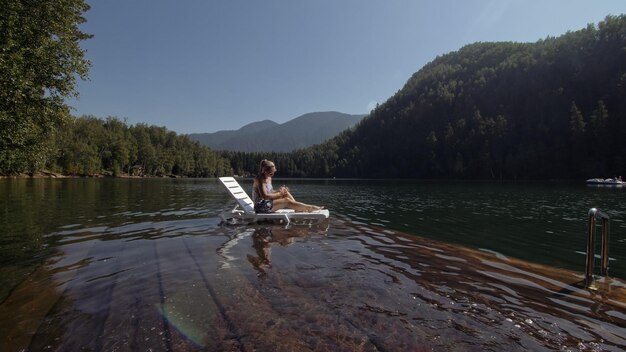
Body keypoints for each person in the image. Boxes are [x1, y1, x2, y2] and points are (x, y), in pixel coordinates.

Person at [252, 159, 323, 213]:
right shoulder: (260, 179)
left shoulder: (269, 178)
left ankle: (297, 208)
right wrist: (279, 194)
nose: (272, 174)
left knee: (286, 193)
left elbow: (270, 192)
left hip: (267, 203)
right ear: (265, 171)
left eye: (274, 172)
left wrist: (279, 191)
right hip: (260, 206)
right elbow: (265, 196)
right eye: (271, 173)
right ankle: (310, 208)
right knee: (286, 201)